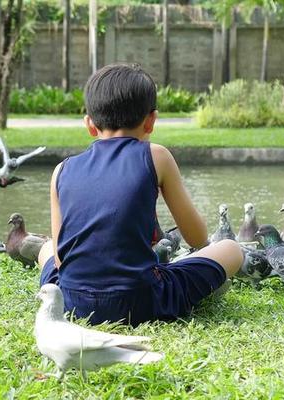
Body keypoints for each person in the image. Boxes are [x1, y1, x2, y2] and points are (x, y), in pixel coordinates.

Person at [38, 63, 243, 327]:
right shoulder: (157, 156)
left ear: (89, 125)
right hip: (142, 302)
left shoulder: (61, 170)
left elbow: (60, 257)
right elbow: (197, 237)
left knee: (46, 247)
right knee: (231, 248)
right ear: (151, 120)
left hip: (72, 302)